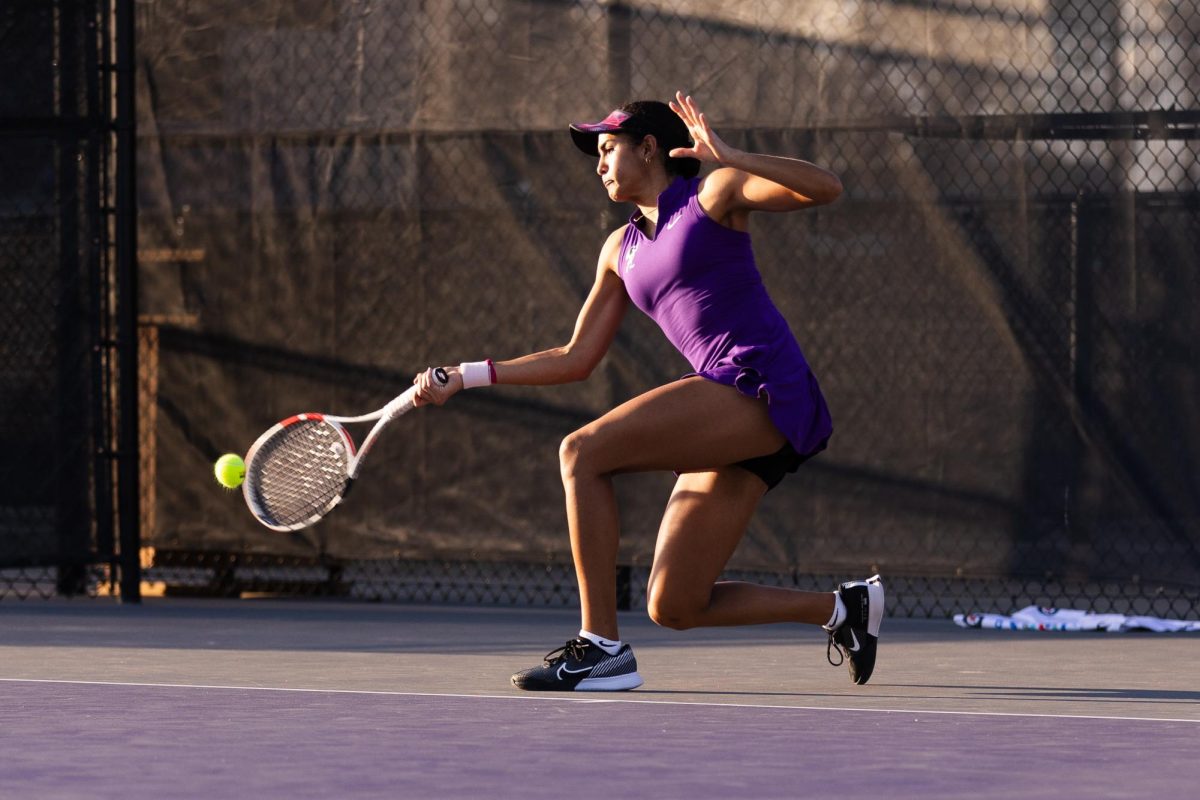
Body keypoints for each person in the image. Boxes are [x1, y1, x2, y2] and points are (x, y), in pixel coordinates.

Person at [413, 91, 883, 691]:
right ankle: (843, 610)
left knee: (581, 453)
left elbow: (828, 188)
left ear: (650, 148)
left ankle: (599, 648)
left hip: (760, 386)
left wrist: (731, 156)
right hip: (732, 413)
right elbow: (575, 357)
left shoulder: (714, 194)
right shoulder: (619, 249)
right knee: (675, 604)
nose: (600, 164)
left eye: (609, 150)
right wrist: (467, 375)